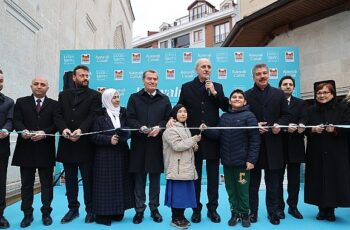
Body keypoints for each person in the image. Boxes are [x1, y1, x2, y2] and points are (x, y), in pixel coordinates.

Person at [174, 58, 228, 223]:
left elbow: (226, 107)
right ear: (197, 69)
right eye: (203, 66)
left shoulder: (217, 87)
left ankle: (213, 210)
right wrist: (171, 118)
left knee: (213, 178)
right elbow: (179, 107)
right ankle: (196, 209)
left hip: (212, 139)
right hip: (193, 140)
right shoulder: (186, 87)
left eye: (209, 67)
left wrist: (214, 93)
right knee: (194, 177)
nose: (206, 69)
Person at [202, 89, 260, 228]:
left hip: (242, 163)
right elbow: (218, 134)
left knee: (242, 190)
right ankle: (235, 213)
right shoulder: (224, 117)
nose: (237, 99)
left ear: (245, 101)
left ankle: (245, 214)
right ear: (230, 100)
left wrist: (251, 160)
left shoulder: (249, 116)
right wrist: (206, 129)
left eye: (240, 97)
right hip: (227, 163)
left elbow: (254, 140)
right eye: (234, 97)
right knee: (231, 190)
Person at [55, 65, 101, 224]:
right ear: (74, 77)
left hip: (85, 143)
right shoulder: (63, 95)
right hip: (67, 142)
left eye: (87, 75)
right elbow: (58, 115)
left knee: (88, 180)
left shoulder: (95, 95)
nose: (85, 78)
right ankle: (73, 209)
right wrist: (64, 129)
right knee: (71, 180)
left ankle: (90, 210)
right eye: (82, 76)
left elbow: (93, 115)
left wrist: (81, 130)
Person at [245, 63, 290, 225]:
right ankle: (253, 213)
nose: (262, 76)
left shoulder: (279, 94)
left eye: (265, 73)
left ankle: (273, 213)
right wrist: (254, 126)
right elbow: (242, 117)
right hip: (254, 147)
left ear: (269, 74)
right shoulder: (247, 95)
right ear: (253, 77)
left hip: (274, 146)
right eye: (258, 74)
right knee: (253, 185)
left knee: (273, 184)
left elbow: (286, 115)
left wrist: (279, 124)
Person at [126, 70, 172, 224]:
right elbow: (129, 119)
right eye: (149, 79)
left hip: (156, 145)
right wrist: (140, 127)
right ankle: (139, 210)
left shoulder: (164, 99)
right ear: (143, 80)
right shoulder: (134, 98)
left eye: (155, 79)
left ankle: (154, 209)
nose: (153, 81)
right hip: (139, 145)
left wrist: (160, 127)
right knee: (139, 180)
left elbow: (168, 120)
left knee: (155, 180)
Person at [11, 76, 57, 227]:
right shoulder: (21, 102)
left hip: (45, 149)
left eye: (42, 84)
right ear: (31, 86)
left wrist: (45, 132)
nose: (39, 86)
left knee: (46, 185)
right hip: (26, 148)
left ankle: (46, 213)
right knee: (26, 185)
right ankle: (27, 214)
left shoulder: (54, 105)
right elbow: (16, 120)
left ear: (47, 88)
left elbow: (56, 124)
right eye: (36, 84)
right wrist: (21, 130)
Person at [305, 81, 350, 221]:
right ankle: (321, 209)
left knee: (333, 179)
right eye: (319, 93)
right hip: (316, 151)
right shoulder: (310, 110)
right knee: (317, 178)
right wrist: (312, 129)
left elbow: (348, 126)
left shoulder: (343, 108)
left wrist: (335, 129)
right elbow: (304, 127)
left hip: (335, 151)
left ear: (332, 93)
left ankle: (330, 210)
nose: (322, 95)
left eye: (325, 92)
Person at [90, 89, 134, 226]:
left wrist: (123, 135)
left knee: (120, 183)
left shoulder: (123, 113)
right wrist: (108, 140)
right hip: (104, 156)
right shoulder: (99, 116)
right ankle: (103, 214)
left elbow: (129, 129)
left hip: (122, 153)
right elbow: (93, 136)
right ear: (107, 99)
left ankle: (117, 210)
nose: (117, 100)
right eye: (114, 97)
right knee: (105, 186)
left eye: (118, 97)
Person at [163, 104, 200, 229]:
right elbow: (177, 146)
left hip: (186, 167)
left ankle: (181, 216)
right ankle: (175, 218)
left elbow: (188, 145)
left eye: (185, 111)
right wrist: (194, 140)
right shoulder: (170, 129)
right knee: (178, 195)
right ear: (174, 114)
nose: (183, 114)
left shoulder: (186, 128)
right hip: (177, 168)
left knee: (184, 195)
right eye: (180, 112)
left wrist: (194, 144)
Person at [277, 76, 307, 219]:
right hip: (279, 146)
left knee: (294, 180)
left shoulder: (301, 103)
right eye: (285, 84)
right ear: (280, 87)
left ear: (294, 87)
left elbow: (304, 118)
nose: (288, 86)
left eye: (290, 84)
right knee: (277, 180)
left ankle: (293, 207)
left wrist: (301, 124)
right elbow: (274, 121)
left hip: (296, 146)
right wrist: (284, 128)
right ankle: (279, 208)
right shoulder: (275, 102)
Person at [0, 69, 14, 229]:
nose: (0, 84)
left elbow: (11, 120)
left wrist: (5, 130)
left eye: (1, 81)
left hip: (1, 149)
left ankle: (0, 215)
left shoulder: (9, 102)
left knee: (0, 183)